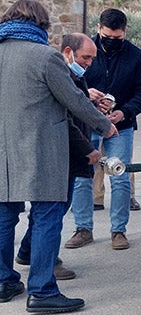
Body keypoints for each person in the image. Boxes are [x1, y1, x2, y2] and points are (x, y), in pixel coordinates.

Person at [0, 0, 117, 314]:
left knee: (3, 217)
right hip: (41, 150)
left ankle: (4, 281)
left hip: (2, 153)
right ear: (41, 25)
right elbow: (74, 100)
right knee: (47, 217)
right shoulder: (46, 57)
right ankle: (42, 291)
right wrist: (103, 125)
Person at [66, 8, 141, 251]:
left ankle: (119, 231)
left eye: (117, 38)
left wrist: (124, 112)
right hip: (86, 123)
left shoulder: (136, 56)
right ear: (98, 29)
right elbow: (67, 82)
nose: (112, 42)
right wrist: (87, 93)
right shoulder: (84, 52)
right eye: (107, 37)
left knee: (120, 176)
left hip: (120, 125)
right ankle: (83, 228)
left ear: (124, 32)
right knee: (82, 175)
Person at [15, 33, 102, 280]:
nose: (89, 63)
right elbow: (66, 122)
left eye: (92, 58)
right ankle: (46, 264)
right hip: (59, 153)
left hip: (65, 152)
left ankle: (28, 251)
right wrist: (88, 148)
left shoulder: (70, 75)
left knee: (50, 211)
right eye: (86, 57)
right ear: (67, 52)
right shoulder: (56, 74)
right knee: (52, 213)